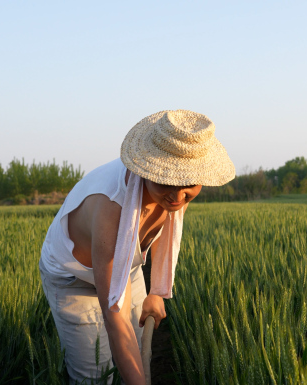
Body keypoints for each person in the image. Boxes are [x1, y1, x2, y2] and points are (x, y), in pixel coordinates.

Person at [38, 110, 235, 384]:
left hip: (126, 266)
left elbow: (167, 228)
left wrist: (156, 291)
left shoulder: (174, 190)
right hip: (74, 278)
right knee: (95, 374)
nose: (178, 196)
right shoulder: (112, 206)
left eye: (188, 184)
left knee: (140, 345)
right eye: (167, 182)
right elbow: (115, 317)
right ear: (148, 169)